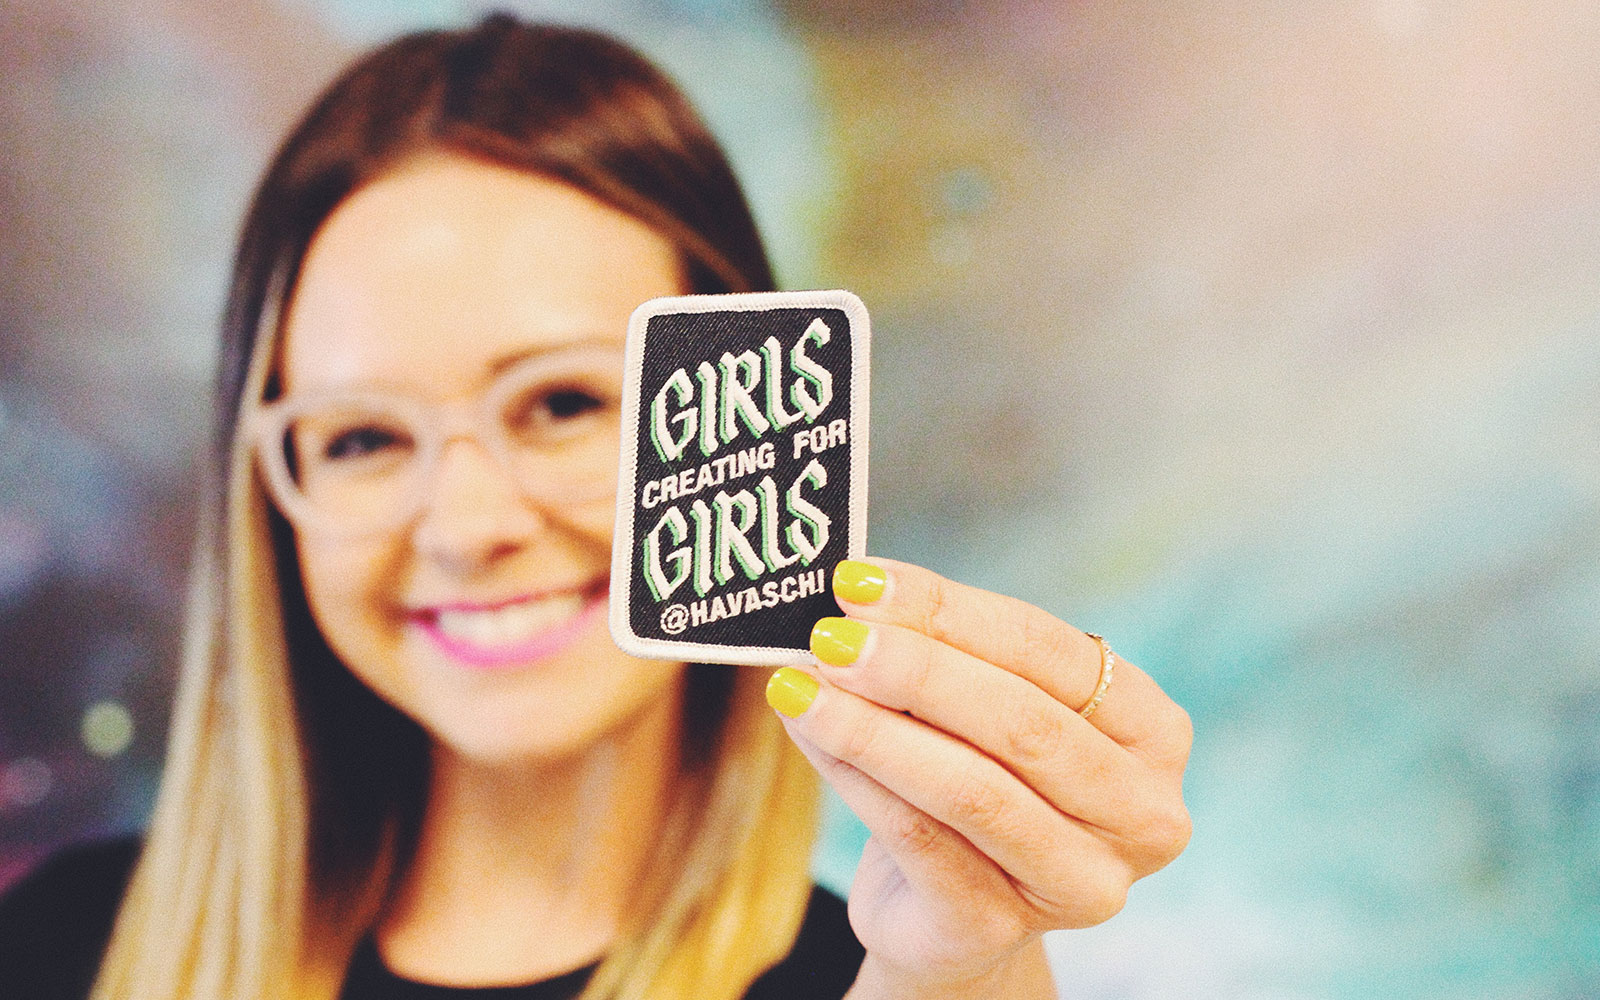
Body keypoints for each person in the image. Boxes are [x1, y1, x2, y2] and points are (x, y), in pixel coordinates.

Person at [0, 15, 1192, 1000]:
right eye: (359, 436)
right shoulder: (60, 946)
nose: (467, 525)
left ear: (750, 416)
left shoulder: (895, 967)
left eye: (563, 402)